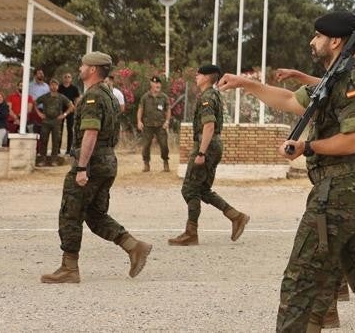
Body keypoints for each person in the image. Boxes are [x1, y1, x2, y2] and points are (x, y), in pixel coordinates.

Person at [217, 10, 355, 332]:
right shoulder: (336, 78)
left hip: (341, 193)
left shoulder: (350, 79)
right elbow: (289, 99)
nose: (312, 41)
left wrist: (308, 147)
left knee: (299, 282)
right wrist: (246, 83)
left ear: (335, 41)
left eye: (317, 36)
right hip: (354, 192)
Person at [40, 51, 153, 284]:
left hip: (92, 163)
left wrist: (81, 168)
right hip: (108, 162)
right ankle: (134, 246)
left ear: (92, 69)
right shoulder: (109, 95)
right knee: (94, 214)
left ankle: (69, 268)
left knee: (70, 212)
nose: (80, 68)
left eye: (83, 65)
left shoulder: (92, 97)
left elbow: (90, 133)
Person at [167, 65, 249, 246]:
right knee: (202, 189)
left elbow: (209, 126)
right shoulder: (214, 94)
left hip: (207, 146)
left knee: (189, 189)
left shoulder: (207, 97)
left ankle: (191, 233)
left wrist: (201, 153)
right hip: (214, 144)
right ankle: (236, 216)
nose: (196, 76)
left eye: (199, 74)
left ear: (207, 77)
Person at [137, 76, 171, 172]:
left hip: (161, 125)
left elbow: (168, 110)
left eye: (159, 83)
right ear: (151, 84)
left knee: (164, 145)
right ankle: (146, 163)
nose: (158, 85)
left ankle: (165, 162)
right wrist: (139, 121)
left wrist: (167, 121)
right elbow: (140, 109)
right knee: (146, 145)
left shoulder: (164, 97)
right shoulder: (145, 97)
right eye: (156, 83)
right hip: (148, 125)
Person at [38, 79, 74, 165]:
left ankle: (54, 160)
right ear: (49, 86)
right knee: (43, 140)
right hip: (46, 121)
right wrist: (39, 113)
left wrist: (64, 114)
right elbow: (35, 103)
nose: (53, 87)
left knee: (56, 141)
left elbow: (71, 106)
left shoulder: (61, 97)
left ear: (58, 87)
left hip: (56, 122)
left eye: (55, 85)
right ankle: (43, 160)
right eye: (52, 85)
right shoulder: (45, 96)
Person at [59, 72, 80, 152]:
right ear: (63, 78)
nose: (67, 78)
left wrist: (75, 107)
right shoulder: (59, 88)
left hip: (71, 111)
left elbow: (77, 99)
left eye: (69, 77)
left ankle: (69, 149)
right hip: (60, 111)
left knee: (70, 130)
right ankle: (57, 149)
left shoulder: (74, 88)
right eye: (65, 77)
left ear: (71, 79)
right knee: (59, 130)